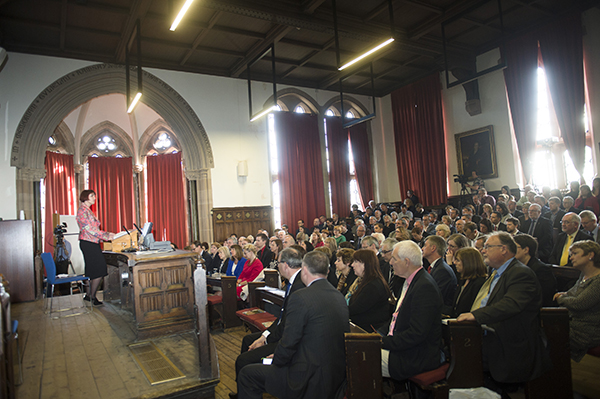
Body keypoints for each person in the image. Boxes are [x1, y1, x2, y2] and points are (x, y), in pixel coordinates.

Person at [237, 251, 350, 399]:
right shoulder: (338, 296)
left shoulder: (301, 296)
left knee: (247, 375)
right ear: (327, 271)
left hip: (306, 376)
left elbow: (289, 341)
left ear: (304, 270)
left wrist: (275, 359)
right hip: (335, 374)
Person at [457, 232, 549, 387]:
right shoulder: (497, 273)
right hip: (490, 335)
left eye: (487, 247)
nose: (483, 251)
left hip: (509, 343)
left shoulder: (521, 273)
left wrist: (475, 315)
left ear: (504, 249)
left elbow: (510, 304)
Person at [230, 247, 306, 399]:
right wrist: (264, 335)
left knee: (242, 360)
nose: (277, 266)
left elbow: (287, 325)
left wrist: (266, 340)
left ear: (285, 265)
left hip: (286, 339)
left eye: (278, 263)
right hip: (281, 331)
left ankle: (248, 387)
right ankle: (243, 391)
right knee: (247, 340)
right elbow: (282, 317)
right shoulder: (293, 282)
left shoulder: (299, 286)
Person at [381, 240, 444, 380]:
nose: (390, 263)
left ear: (407, 262)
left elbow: (417, 334)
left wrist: (382, 342)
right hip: (404, 349)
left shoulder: (424, 287)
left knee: (358, 357)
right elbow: (397, 318)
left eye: (394, 259)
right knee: (358, 352)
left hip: (415, 356)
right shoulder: (411, 280)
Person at [554, 240, 600, 362]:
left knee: (546, 336)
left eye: (575, 253)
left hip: (587, 331)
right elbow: (571, 293)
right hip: (573, 323)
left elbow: (579, 303)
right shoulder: (584, 276)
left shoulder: (598, 280)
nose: (571, 257)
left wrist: (561, 298)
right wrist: (565, 296)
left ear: (590, 255)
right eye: (570, 254)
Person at [76, 190, 115, 306]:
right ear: (85, 197)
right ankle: (92, 297)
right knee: (100, 269)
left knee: (92, 270)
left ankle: (88, 296)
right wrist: (107, 235)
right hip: (88, 243)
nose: (94, 198)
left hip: (91, 242)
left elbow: (94, 230)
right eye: (92, 196)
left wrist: (106, 235)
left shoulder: (87, 210)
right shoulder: (82, 211)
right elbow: (90, 230)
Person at [347, 249, 392, 331]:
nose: (352, 265)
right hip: (363, 327)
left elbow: (355, 309)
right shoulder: (367, 281)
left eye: (356, 262)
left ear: (365, 264)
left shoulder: (373, 286)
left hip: (369, 331)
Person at [514, 234, 557, 307]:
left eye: (514, 247)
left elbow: (543, 295)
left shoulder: (541, 270)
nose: (510, 251)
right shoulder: (516, 266)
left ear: (526, 250)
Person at [422, 235, 458, 315]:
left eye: (425, 245)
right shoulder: (436, 267)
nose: (422, 248)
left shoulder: (442, 270)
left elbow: (435, 298)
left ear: (433, 248)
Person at [450, 247, 487, 317]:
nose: (454, 263)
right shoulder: (463, 280)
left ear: (468, 262)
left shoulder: (479, 283)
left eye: (457, 260)